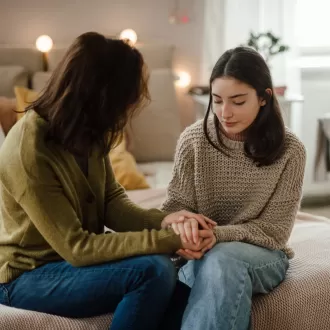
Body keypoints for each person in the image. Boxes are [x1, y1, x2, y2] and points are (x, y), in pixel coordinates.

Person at [0, 32, 216, 330]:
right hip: (27, 276)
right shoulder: (29, 147)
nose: (130, 109)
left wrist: (167, 221)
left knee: (189, 299)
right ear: (100, 95)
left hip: (74, 265)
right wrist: (169, 241)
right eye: (125, 99)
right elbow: (77, 247)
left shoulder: (90, 130)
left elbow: (113, 204)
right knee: (153, 270)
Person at [161, 46, 306, 330]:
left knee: (222, 260)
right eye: (217, 101)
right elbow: (174, 208)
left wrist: (217, 235)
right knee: (212, 262)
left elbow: (274, 232)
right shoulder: (193, 140)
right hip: (201, 251)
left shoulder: (291, 150)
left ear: (264, 97)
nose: (225, 113)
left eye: (238, 102)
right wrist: (185, 224)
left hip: (263, 254)